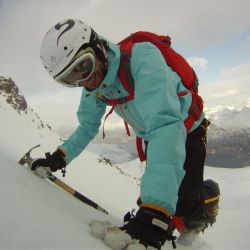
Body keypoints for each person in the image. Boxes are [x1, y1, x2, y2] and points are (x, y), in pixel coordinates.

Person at [32, 18, 220, 249]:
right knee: (156, 192)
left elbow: (165, 124)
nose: (84, 80)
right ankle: (168, 220)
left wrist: (155, 212)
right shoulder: (95, 85)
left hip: (187, 126)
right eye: (70, 79)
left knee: (186, 203)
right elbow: (88, 126)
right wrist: (58, 157)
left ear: (98, 47)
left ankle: (209, 197)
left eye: (84, 66)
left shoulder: (142, 57)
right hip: (154, 133)